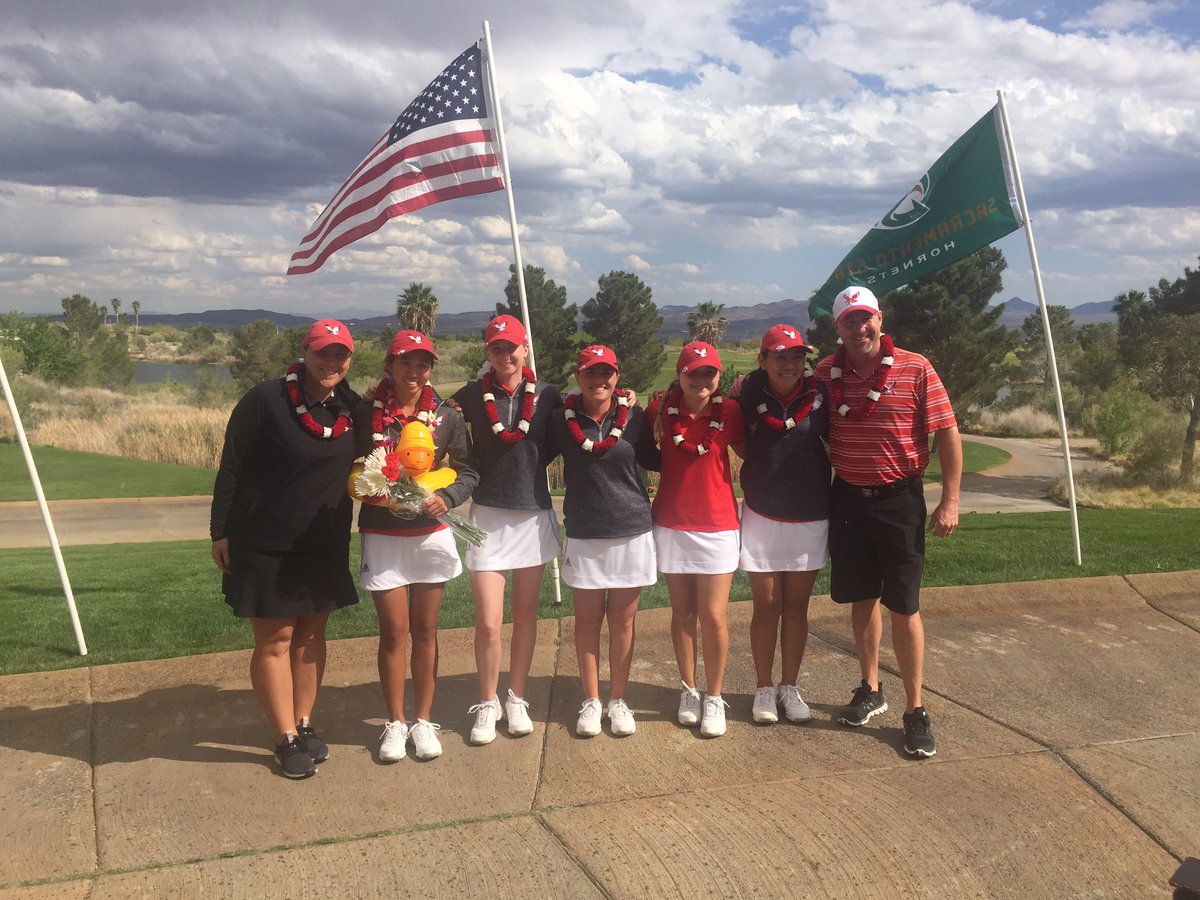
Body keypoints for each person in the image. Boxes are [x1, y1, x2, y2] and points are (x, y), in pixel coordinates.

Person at [814, 286, 961, 758]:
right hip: (849, 500)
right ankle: (871, 687)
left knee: (904, 605)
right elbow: (782, 390)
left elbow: (948, 435)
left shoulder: (916, 368)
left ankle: (915, 708)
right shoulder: (825, 374)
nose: (860, 329)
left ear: (880, 318)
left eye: (866, 319)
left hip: (899, 501)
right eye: (849, 322)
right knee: (861, 598)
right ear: (837, 328)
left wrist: (951, 500)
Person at [210, 319, 361, 779]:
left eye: (340, 354)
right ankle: (284, 738)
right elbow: (231, 466)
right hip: (265, 542)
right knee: (275, 640)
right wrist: (220, 531)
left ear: (349, 359)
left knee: (312, 636)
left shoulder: (352, 406)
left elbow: (398, 427)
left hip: (323, 543)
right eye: (323, 352)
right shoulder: (265, 399)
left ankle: (303, 722)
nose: (330, 362)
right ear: (304, 352)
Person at [356, 330, 478, 764]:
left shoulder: (447, 415)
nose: (414, 371)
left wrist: (446, 498)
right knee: (393, 633)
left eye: (423, 363)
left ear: (431, 369)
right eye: (405, 362)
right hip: (382, 536)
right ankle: (395, 721)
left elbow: (467, 471)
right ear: (389, 364)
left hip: (430, 536)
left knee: (426, 631)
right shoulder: (364, 411)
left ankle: (424, 721)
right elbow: (352, 468)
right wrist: (368, 491)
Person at [452, 315, 562, 745]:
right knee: (489, 622)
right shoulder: (471, 396)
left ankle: (516, 697)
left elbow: (595, 405)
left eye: (511, 347)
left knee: (526, 616)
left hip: (532, 517)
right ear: (487, 353)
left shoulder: (549, 396)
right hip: (488, 519)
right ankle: (488, 701)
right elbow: (429, 410)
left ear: (525, 349)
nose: (505, 355)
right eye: (496, 348)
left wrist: (629, 396)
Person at [548, 345, 655, 738]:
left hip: (631, 528)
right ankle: (592, 701)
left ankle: (619, 700)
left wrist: (666, 408)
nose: (600, 380)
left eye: (607, 373)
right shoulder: (561, 420)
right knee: (588, 622)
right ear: (579, 377)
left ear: (617, 375)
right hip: (585, 531)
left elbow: (654, 458)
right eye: (591, 373)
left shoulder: (635, 415)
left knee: (623, 622)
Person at [643, 341, 745, 738]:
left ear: (718, 378)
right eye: (693, 372)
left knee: (714, 616)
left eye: (709, 373)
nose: (701, 379)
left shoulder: (732, 413)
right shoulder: (660, 411)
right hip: (671, 522)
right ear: (680, 374)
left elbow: (753, 455)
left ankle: (715, 696)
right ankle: (689, 689)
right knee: (682, 614)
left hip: (718, 525)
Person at [736, 324, 830, 726]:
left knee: (796, 608)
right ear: (763, 360)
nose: (789, 364)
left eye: (796, 356)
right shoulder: (747, 393)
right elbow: (736, 438)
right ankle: (763, 687)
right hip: (761, 513)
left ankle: (789, 687)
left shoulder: (822, 395)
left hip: (809, 513)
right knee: (766, 606)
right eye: (780, 356)